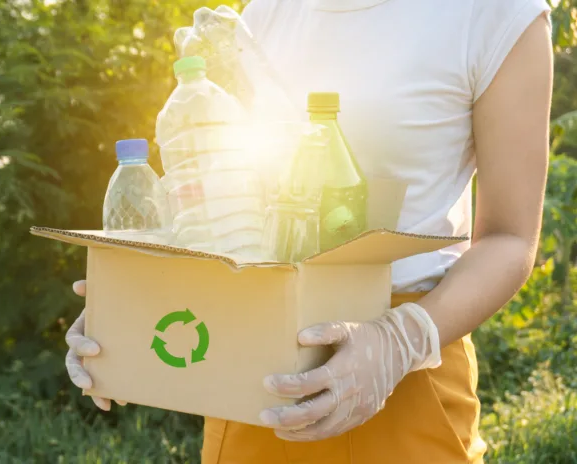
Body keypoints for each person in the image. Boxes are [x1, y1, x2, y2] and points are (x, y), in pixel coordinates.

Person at [65, 0, 554, 462]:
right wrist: (136, 299)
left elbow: (509, 240)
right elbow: (229, 211)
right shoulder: (264, 15)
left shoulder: (493, 13)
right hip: (253, 372)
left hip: (407, 376)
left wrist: (399, 341)